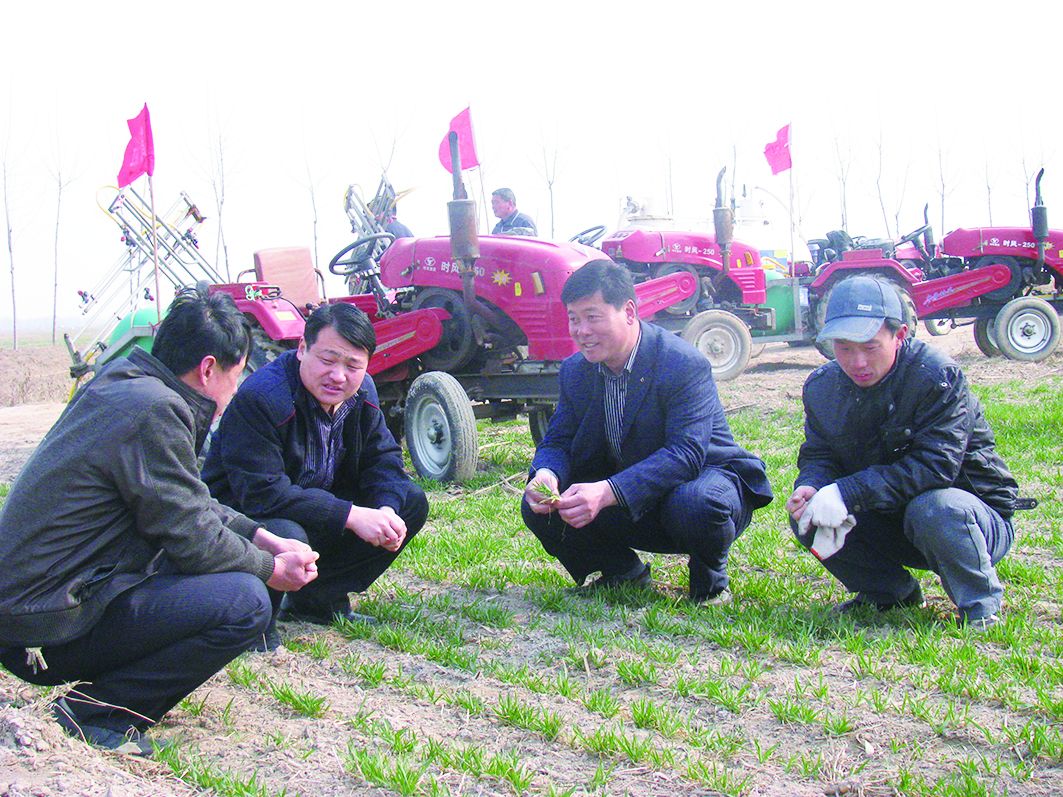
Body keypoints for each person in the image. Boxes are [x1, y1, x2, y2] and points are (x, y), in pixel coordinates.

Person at [0, 289, 320, 756]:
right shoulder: (156, 410)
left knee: (263, 550)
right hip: (42, 628)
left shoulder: (127, 383)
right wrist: (271, 569)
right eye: (236, 376)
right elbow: (193, 540)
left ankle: (106, 695)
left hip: (37, 604)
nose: (236, 390)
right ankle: (96, 712)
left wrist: (261, 536)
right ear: (209, 369)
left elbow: (185, 500)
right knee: (245, 602)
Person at [521, 260, 773, 603]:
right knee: (537, 504)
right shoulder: (575, 371)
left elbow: (685, 455)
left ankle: (710, 581)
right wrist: (546, 473)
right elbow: (559, 440)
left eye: (592, 317)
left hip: (700, 484)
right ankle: (623, 572)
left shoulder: (682, 363)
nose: (581, 330)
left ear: (628, 311)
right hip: (629, 488)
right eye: (574, 319)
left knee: (698, 503)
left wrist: (607, 492)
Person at [786, 276, 1019, 629]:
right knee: (808, 516)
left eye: (870, 346)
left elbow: (935, 467)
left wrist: (847, 492)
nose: (857, 360)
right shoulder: (821, 387)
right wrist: (813, 485)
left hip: (967, 518)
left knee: (937, 508)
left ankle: (980, 605)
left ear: (900, 335)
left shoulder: (938, 376)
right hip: (888, 513)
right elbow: (820, 454)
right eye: (844, 348)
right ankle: (889, 594)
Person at [203, 302, 428, 643]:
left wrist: (383, 510)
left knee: (408, 500)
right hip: (247, 517)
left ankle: (318, 598)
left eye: (353, 365)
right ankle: (255, 622)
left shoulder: (362, 392)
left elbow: (383, 460)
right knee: (287, 530)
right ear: (302, 349)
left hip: (317, 507)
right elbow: (263, 494)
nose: (338, 375)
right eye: (327, 360)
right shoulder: (263, 397)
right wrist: (351, 515)